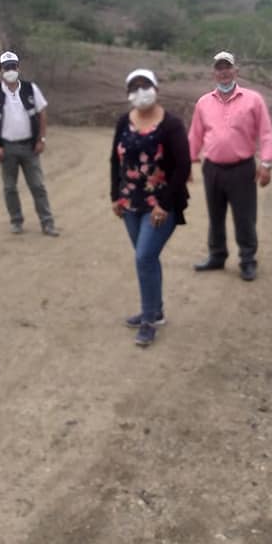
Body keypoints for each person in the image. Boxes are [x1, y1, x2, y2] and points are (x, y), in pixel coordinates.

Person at [110, 69, 191, 348]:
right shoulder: (124, 121)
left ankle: (148, 321)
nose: (141, 92)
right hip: (130, 202)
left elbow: (183, 166)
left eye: (146, 85)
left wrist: (164, 204)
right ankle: (155, 310)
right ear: (128, 93)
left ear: (156, 89)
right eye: (135, 87)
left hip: (160, 204)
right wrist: (115, 196)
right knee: (147, 258)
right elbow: (115, 161)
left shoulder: (171, 125)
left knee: (144, 257)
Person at [188, 51, 272, 281]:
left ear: (236, 71)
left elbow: (265, 133)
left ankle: (247, 260)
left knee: (245, 217)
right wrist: (188, 162)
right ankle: (217, 255)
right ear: (214, 73)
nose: (224, 72)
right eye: (219, 68)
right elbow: (195, 135)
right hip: (213, 168)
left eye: (227, 67)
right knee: (215, 215)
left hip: (242, 168)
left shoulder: (253, 100)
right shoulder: (204, 103)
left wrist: (266, 163)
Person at [0, 51, 59, 236]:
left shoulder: (31, 89)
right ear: (0, 70)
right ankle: (16, 221)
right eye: (6, 67)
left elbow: (42, 114)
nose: (10, 71)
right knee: (9, 188)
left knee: (38, 186)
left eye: (13, 67)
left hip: (30, 147)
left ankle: (47, 223)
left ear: (18, 68)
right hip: (7, 148)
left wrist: (41, 139)